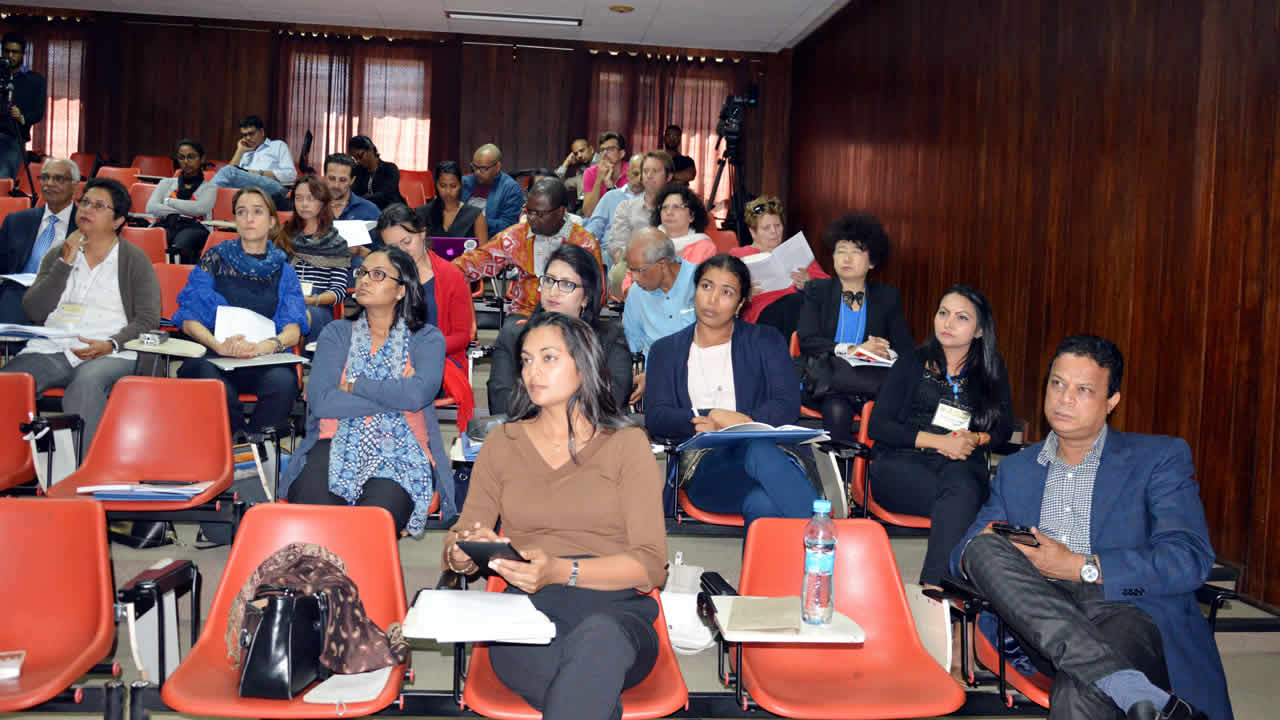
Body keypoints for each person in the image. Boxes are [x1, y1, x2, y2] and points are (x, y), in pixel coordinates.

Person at [953, 335, 1232, 720]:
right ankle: (1125, 684)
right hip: (1036, 616)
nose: (1064, 398)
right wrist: (995, 548)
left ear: (1111, 401)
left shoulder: (1158, 459)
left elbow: (1188, 560)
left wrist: (1078, 566)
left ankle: (1115, 680)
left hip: (1125, 612)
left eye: (1083, 389)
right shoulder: (1017, 469)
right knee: (979, 548)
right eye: (1057, 383)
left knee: (1080, 692)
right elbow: (963, 555)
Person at [443, 312, 666, 720]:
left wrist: (560, 570)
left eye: (548, 358)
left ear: (583, 365)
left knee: (596, 647)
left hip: (615, 615)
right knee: (586, 690)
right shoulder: (502, 444)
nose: (532, 372)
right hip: (525, 618)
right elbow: (466, 530)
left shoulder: (627, 445)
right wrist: (461, 551)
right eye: (526, 360)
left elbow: (651, 567)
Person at [283, 247, 453, 533]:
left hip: (402, 450)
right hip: (334, 442)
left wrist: (353, 386)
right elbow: (322, 402)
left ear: (401, 290)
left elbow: (416, 396)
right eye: (362, 273)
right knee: (314, 524)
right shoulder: (337, 333)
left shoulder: (426, 338)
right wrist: (396, 394)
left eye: (377, 275)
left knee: (370, 530)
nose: (363, 280)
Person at [645, 254, 817, 528]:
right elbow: (656, 416)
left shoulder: (766, 340)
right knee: (758, 451)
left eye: (726, 292)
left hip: (771, 458)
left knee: (762, 503)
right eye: (706, 287)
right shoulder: (665, 350)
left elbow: (787, 404)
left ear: (740, 304)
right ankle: (829, 541)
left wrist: (743, 423)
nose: (713, 300)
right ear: (695, 291)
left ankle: (771, 570)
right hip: (706, 470)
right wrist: (713, 416)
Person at [0, 178, 159, 458]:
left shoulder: (134, 260)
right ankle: (13, 466)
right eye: (85, 202)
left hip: (110, 352)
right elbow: (34, 310)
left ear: (118, 220)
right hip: (54, 348)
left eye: (99, 206)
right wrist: (64, 263)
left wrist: (111, 343)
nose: (87, 209)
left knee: (85, 386)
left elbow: (147, 319)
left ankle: (86, 475)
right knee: (10, 383)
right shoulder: (58, 253)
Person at [867, 285, 1012, 586]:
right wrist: (939, 441)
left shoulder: (991, 368)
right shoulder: (911, 362)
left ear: (979, 331)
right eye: (943, 313)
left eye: (961, 317)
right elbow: (879, 426)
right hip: (902, 465)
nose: (948, 323)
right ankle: (939, 588)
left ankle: (932, 589)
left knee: (962, 486)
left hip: (959, 465)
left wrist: (975, 439)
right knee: (965, 497)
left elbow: (1003, 429)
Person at [172, 186, 307, 439]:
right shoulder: (215, 258)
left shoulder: (284, 269)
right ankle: (234, 440)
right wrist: (219, 345)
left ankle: (254, 441)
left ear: (271, 222)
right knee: (207, 380)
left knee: (283, 382)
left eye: (257, 211)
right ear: (234, 220)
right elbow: (189, 319)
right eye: (241, 212)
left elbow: (293, 330)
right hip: (215, 354)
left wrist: (264, 347)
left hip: (263, 357)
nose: (248, 218)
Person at [795, 213, 914, 440]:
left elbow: (906, 349)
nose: (846, 259)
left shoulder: (888, 297)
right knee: (837, 409)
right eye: (841, 251)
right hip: (828, 380)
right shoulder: (817, 291)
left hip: (870, 381)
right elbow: (807, 340)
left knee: (893, 413)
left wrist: (882, 350)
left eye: (856, 252)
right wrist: (852, 350)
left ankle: (875, 471)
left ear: (871, 262)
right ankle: (842, 474)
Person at [488, 243, 632, 415]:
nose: (553, 291)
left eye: (566, 284)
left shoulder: (610, 338)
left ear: (586, 297)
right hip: (528, 435)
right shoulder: (514, 334)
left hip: (595, 436)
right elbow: (500, 401)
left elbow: (610, 401)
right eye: (549, 280)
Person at [454, 177, 601, 319]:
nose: (531, 218)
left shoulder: (584, 243)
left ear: (561, 212)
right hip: (524, 313)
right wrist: (441, 272)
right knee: (511, 335)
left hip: (567, 317)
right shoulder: (516, 236)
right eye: (528, 211)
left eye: (539, 214)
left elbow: (598, 295)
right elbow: (476, 261)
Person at [375, 203, 471, 371]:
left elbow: (462, 336)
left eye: (407, 241)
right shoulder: (383, 275)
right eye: (393, 247)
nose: (402, 252)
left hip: (439, 359)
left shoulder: (450, 275)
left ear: (422, 233)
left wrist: (424, 349)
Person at [729, 195, 827, 331]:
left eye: (777, 226)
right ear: (753, 232)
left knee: (804, 306)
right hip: (763, 313)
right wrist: (744, 293)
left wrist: (810, 283)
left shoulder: (796, 251)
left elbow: (829, 288)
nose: (774, 232)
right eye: (766, 228)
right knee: (795, 306)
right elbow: (726, 291)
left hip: (800, 309)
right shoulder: (738, 255)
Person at [0, 157, 77, 323]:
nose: (49, 183)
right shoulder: (16, 221)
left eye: (58, 178)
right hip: (16, 295)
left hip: (63, 298)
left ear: (75, 186)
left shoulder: (85, 226)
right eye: (45, 177)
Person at [285, 176, 351, 346]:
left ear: (322, 202)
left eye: (311, 198)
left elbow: (338, 292)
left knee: (301, 313)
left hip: (318, 306)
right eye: (299, 198)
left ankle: (298, 362)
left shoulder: (336, 244)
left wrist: (313, 300)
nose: (304, 204)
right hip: (285, 300)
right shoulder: (283, 236)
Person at [621, 228, 696, 361]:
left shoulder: (700, 282)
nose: (634, 278)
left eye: (639, 270)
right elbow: (633, 346)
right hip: (655, 373)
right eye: (631, 270)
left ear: (662, 264)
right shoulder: (636, 293)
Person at [606, 151, 672, 296]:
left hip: (668, 266)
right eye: (646, 171)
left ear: (669, 176)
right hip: (632, 266)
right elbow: (617, 246)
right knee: (620, 273)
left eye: (655, 171)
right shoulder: (626, 207)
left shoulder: (675, 209)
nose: (649, 175)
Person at [145, 139, 215, 265]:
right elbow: (151, 207)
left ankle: (181, 279)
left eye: (191, 157)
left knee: (182, 242)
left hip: (195, 227)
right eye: (181, 158)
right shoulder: (166, 183)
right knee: (153, 239)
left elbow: (200, 209)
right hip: (168, 223)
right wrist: (186, 209)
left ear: (202, 159)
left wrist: (168, 202)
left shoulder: (210, 187)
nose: (186, 162)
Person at [212, 115, 297, 201]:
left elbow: (291, 174)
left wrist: (256, 173)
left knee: (227, 171)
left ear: (262, 132)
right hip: (248, 189)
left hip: (274, 188)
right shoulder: (245, 152)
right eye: (245, 135)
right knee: (224, 186)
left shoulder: (277, 145)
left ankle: (203, 199)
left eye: (251, 134)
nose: (248, 138)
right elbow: (231, 171)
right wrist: (240, 151)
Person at [583, 153, 643, 268]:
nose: (639, 179)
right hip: (607, 251)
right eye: (636, 174)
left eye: (643, 174)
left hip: (637, 254)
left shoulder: (650, 200)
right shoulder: (610, 197)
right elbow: (594, 227)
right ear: (628, 173)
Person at [0, 32, 45, 180]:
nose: (10, 55)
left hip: (14, 138)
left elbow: (38, 112)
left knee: (4, 182)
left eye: (15, 52)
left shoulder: (35, 80)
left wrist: (22, 117)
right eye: (7, 51)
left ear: (23, 54)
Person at [413, 160, 488, 244]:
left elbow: (483, 253)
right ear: (435, 185)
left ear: (460, 185)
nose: (448, 191)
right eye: (443, 186)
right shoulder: (422, 213)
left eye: (453, 186)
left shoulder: (475, 215)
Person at [460, 143, 525, 234]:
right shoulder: (463, 182)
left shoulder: (511, 188)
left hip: (492, 242)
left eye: (483, 168)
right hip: (461, 238)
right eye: (474, 167)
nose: (477, 172)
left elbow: (509, 225)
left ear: (497, 167)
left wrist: (476, 221)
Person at [651, 184, 715, 263]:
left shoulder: (705, 247)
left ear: (691, 215)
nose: (668, 212)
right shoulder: (650, 241)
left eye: (676, 207)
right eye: (664, 207)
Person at [347, 135, 403, 210]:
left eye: (360, 156)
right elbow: (353, 193)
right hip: (366, 210)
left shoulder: (390, 168)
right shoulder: (358, 171)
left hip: (391, 210)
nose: (358, 161)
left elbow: (385, 195)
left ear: (370, 149)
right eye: (355, 159)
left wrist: (363, 198)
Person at [581, 132, 626, 217]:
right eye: (602, 150)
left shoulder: (631, 172)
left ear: (621, 154)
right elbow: (588, 214)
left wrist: (610, 186)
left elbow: (625, 214)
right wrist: (599, 179)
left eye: (611, 149)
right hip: (598, 221)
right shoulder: (590, 173)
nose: (605, 153)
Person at [324, 153, 379, 223]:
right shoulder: (314, 208)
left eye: (342, 180)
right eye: (331, 178)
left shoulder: (370, 210)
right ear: (325, 177)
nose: (336, 185)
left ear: (352, 180)